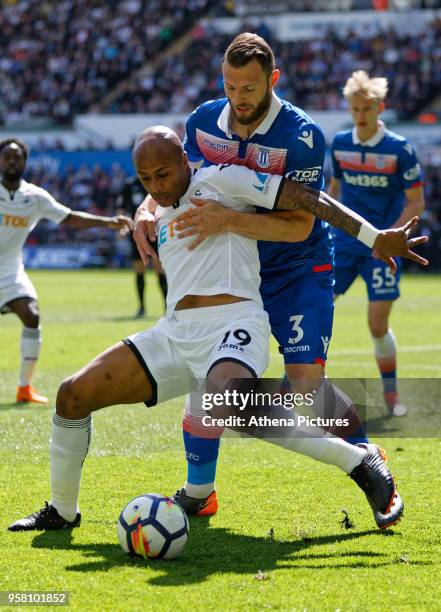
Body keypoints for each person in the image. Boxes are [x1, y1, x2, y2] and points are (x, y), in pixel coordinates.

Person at [10, 126, 420, 533]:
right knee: (71, 394)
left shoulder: (222, 179)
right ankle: (63, 512)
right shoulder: (155, 208)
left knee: (230, 400)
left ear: (186, 160)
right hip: (173, 334)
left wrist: (371, 237)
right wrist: (143, 212)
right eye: (146, 179)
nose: (156, 185)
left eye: (163, 175)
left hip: (235, 323)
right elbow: (152, 200)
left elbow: (305, 198)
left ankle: (357, 461)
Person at [132, 33, 425, 517]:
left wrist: (372, 238)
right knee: (219, 384)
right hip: (234, 270)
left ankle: (368, 457)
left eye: (248, 88)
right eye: (229, 86)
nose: (238, 98)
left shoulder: (301, 136)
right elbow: (174, 179)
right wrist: (145, 209)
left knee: (308, 387)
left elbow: (301, 223)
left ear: (273, 80)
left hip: (295, 265)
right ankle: (200, 492)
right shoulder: (203, 121)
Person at [0, 138, 132, 404]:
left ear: (24, 162)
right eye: (7, 157)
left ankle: (24, 388)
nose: (12, 161)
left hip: (10, 271)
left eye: (17, 157)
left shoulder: (34, 197)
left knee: (32, 314)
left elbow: (69, 216)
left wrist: (108, 223)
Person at [328, 71, 426, 417]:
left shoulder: (400, 149)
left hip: (381, 251)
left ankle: (390, 394)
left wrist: (390, 237)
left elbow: (416, 202)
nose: (360, 115)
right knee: (318, 308)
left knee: (376, 326)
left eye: (367, 108)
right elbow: (334, 194)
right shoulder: (340, 143)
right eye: (355, 108)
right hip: (343, 243)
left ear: (380, 107)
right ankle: (294, 385)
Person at [116, 175, 167, 318]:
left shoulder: (156, 181)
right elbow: (121, 207)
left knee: (159, 269)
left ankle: (167, 307)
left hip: (155, 231)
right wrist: (121, 228)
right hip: (136, 232)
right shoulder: (129, 184)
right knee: (139, 270)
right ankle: (142, 308)